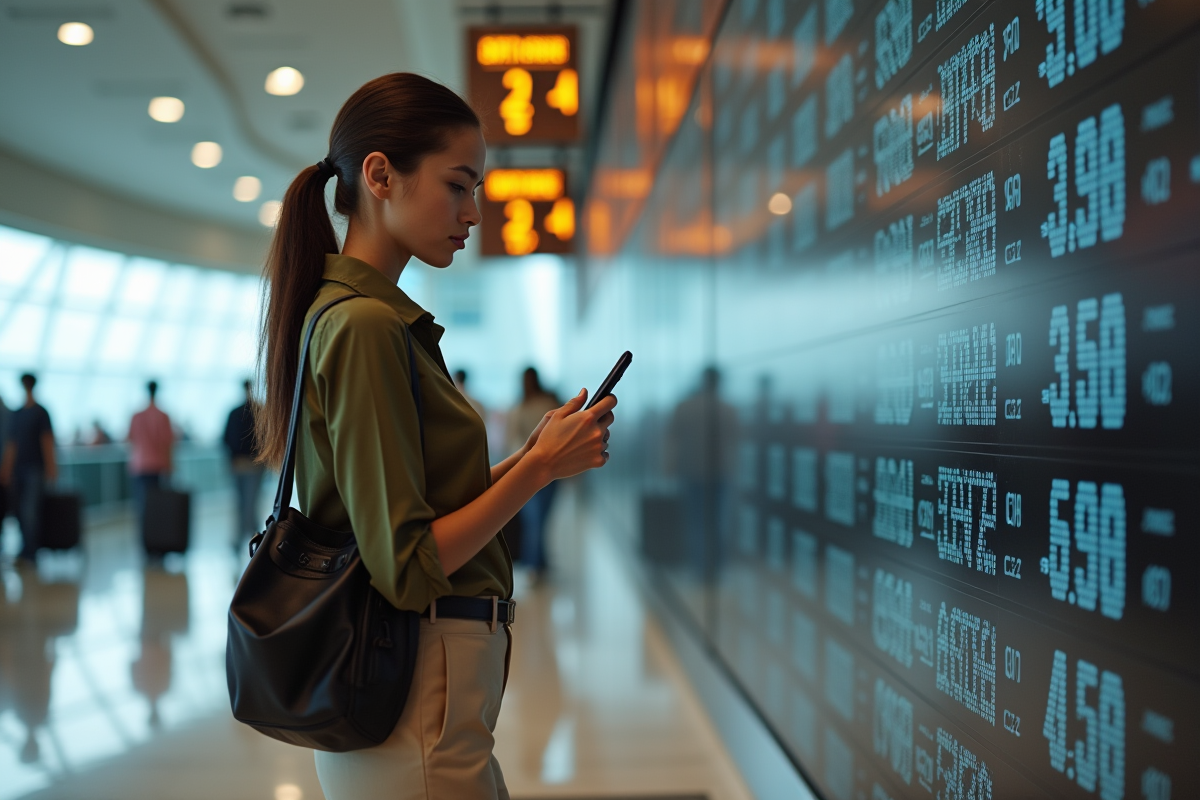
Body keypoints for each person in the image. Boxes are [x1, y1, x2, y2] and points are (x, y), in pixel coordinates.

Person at [255, 73, 616, 799]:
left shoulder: (366, 318)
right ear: (381, 175)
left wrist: (532, 455)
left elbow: (414, 512)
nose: (474, 212)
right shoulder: (364, 326)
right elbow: (408, 566)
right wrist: (536, 472)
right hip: (414, 693)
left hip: (422, 698)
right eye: (459, 185)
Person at [504, 367, 561, 579]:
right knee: (540, 519)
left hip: (526, 469)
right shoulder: (549, 404)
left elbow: (512, 441)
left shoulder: (519, 407)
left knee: (533, 520)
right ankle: (537, 564)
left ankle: (535, 564)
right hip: (553, 468)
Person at [0, 374, 57, 565]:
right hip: (19, 470)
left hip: (35, 469)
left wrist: (51, 468)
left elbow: (47, 441)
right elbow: (12, 445)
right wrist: (6, 469)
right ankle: (25, 549)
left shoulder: (40, 412)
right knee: (19, 512)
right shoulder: (18, 413)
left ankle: (31, 553)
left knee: (29, 511)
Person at [223, 380, 265, 546]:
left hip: (238, 464)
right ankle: (254, 535)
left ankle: (242, 537)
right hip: (255, 464)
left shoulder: (234, 413)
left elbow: (226, 439)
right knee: (252, 501)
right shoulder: (260, 411)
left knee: (241, 502)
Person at [127, 381, 174, 525]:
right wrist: (170, 466)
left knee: (141, 504)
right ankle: (156, 534)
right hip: (159, 466)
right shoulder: (163, 416)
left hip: (140, 466)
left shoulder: (137, 416)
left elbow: (130, 438)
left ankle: (144, 536)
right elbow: (168, 443)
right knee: (157, 504)